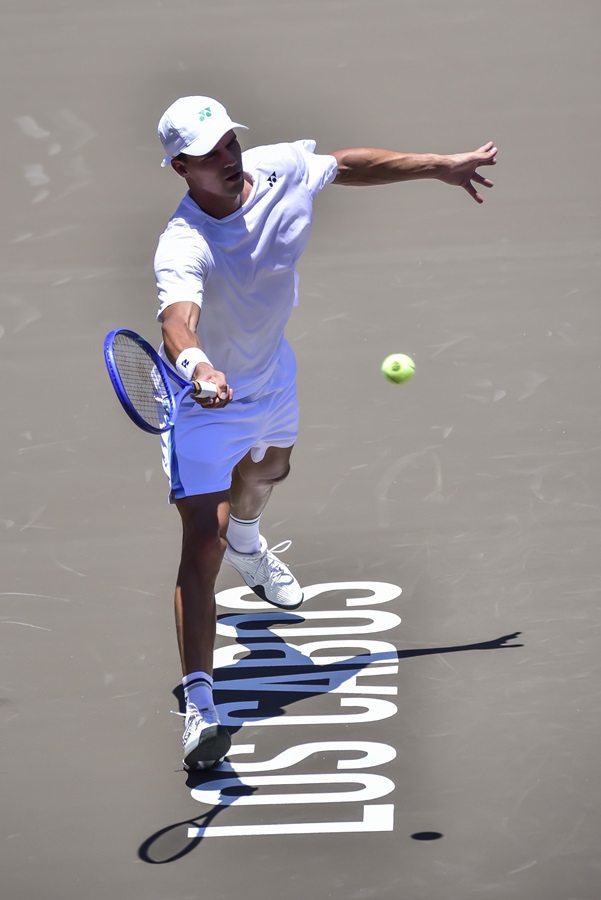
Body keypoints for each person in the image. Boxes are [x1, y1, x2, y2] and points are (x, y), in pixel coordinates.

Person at [154, 95, 497, 771]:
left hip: (271, 378)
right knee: (201, 543)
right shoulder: (182, 242)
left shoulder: (278, 169)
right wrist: (198, 367)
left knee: (270, 470)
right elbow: (176, 322)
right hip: (204, 403)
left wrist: (439, 165)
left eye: (229, 144)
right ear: (180, 169)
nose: (227, 160)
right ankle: (200, 707)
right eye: (207, 156)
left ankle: (249, 541)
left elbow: (344, 165)